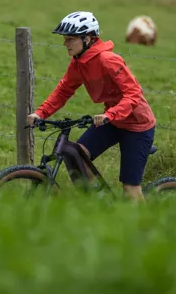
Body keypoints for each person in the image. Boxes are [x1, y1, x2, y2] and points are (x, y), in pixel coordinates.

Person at [26, 11, 157, 201]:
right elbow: (63, 91)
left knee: (130, 188)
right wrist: (40, 113)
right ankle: (98, 204)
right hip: (112, 121)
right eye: (65, 39)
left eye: (70, 39)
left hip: (137, 126)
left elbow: (134, 93)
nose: (65, 44)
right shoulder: (78, 63)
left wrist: (110, 114)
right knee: (76, 155)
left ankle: (142, 226)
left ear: (87, 38)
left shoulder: (108, 60)